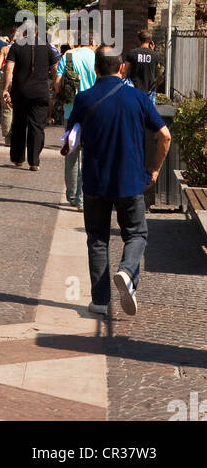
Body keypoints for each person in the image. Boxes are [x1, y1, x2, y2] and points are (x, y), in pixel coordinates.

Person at [63, 48, 170, 317]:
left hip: (95, 181)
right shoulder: (138, 97)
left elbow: (70, 138)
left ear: (97, 69)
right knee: (136, 233)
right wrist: (154, 171)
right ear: (122, 68)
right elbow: (165, 136)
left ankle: (100, 301)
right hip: (131, 179)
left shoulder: (83, 99)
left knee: (97, 239)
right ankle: (126, 270)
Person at [53, 36, 97, 209]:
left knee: (71, 153)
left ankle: (71, 195)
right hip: (93, 111)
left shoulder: (67, 57)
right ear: (92, 42)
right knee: (88, 156)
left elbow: (57, 85)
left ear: (77, 42)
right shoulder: (97, 57)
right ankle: (81, 200)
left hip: (71, 111)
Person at [1, 26, 52, 170]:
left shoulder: (16, 46)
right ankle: (34, 161)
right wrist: (54, 85)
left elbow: (9, 69)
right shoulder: (46, 47)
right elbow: (55, 68)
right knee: (37, 126)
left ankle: (18, 158)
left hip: (20, 92)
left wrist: (6, 89)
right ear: (37, 32)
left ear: (24, 33)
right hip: (41, 92)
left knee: (19, 124)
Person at [125, 30, 159, 106]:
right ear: (150, 41)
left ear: (138, 39)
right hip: (150, 89)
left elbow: (125, 71)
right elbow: (158, 69)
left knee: (134, 112)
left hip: (134, 88)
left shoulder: (132, 53)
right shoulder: (155, 55)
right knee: (148, 114)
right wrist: (152, 51)